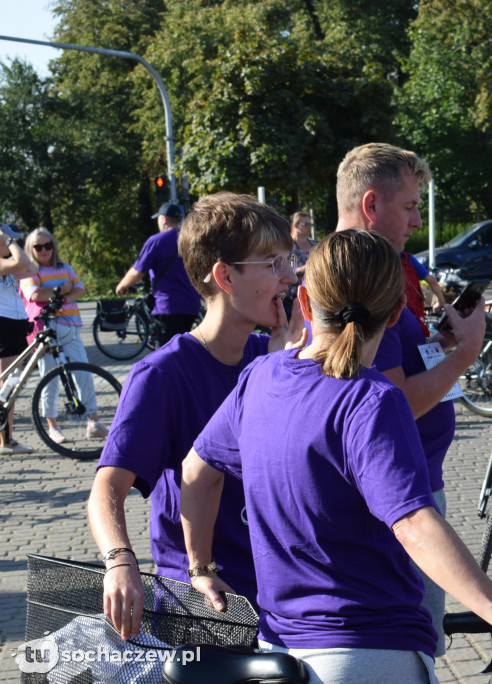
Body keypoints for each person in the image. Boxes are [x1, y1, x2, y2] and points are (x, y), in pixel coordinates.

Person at [178, 230, 492, 684]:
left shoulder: (260, 377)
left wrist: (200, 567)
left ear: (306, 305)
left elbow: (194, 472)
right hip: (370, 651)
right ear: (394, 317)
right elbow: (412, 523)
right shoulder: (372, 399)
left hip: (278, 652)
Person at [88, 193, 306, 639]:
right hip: (203, 602)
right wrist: (119, 562)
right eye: (272, 263)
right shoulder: (161, 374)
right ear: (225, 276)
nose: (288, 279)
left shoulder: (272, 355)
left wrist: (283, 371)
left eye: (288, 261)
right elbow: (106, 487)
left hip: (279, 593)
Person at [334, 142, 486, 656]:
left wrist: (439, 346)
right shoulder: (353, 284)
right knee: (414, 646)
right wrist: (463, 355)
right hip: (395, 501)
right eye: (410, 207)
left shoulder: (384, 272)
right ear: (371, 205)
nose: (417, 221)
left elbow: (397, 365)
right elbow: (388, 401)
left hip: (411, 485)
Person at [21, 227, 107, 443]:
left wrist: (57, 297)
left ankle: (93, 422)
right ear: (30, 249)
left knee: (83, 373)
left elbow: (80, 289)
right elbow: (35, 294)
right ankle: (53, 426)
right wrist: (62, 290)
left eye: (48, 245)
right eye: (38, 247)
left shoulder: (65, 267)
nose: (44, 250)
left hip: (70, 327)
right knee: (49, 378)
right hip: (45, 329)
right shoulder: (29, 270)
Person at [115, 202, 202, 346]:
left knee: (167, 353)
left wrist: (122, 285)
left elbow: (138, 272)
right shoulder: (192, 240)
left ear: (164, 220)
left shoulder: (156, 241)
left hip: (168, 306)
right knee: (183, 350)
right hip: (191, 305)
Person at [0, 223, 37, 454]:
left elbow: (31, 268)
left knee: (10, 383)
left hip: (14, 323)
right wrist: (9, 242)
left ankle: (7, 439)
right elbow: (20, 263)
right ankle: (6, 441)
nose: (13, 243)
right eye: (8, 240)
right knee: (7, 383)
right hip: (2, 323)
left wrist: (10, 242)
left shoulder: (11, 264)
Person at [283, 211, 317, 319]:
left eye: (310, 224)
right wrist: (307, 267)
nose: (309, 227)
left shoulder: (314, 244)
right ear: (296, 225)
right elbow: (284, 271)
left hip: (312, 296)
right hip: (291, 298)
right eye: (305, 224)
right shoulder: (286, 246)